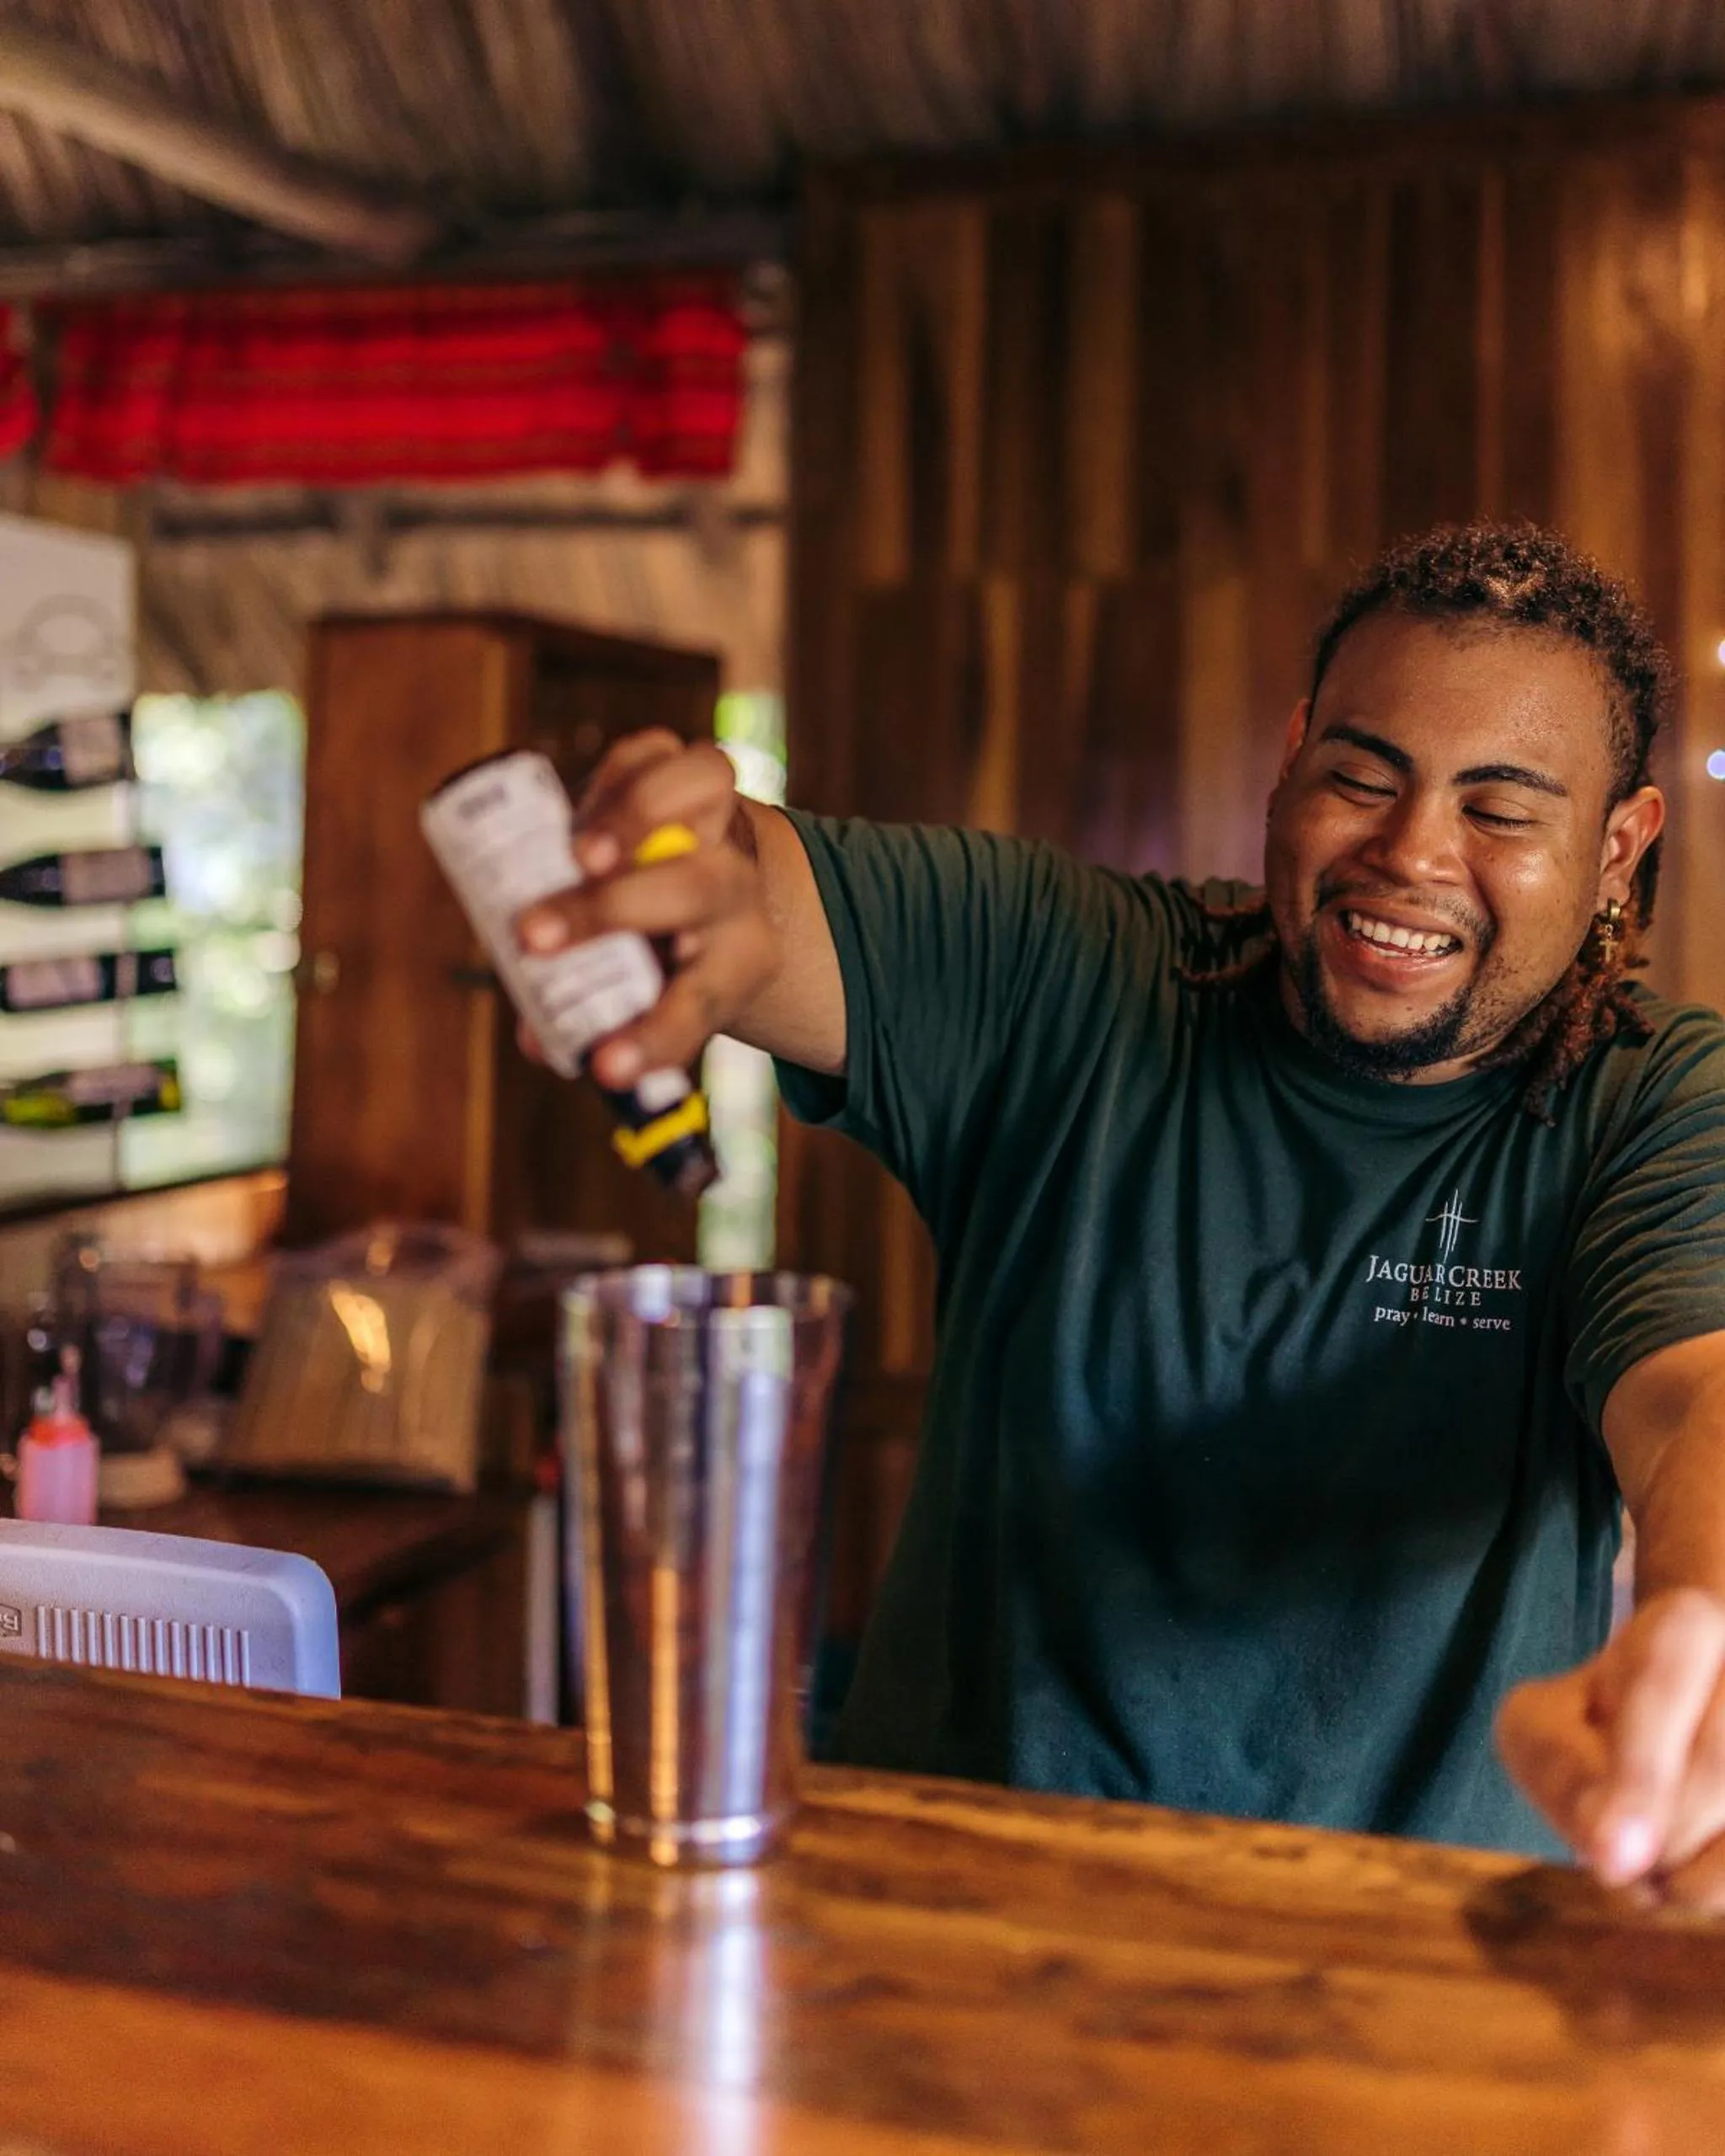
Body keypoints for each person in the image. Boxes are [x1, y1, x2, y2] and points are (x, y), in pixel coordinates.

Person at [520, 521, 1725, 1900]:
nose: (1411, 852)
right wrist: (689, 871)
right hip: (948, 1923)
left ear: (1623, 840)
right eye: (1359, 774)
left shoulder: (1655, 1100)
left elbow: (1701, 1396)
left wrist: (1709, 1622)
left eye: (1502, 810)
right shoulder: (1071, 979)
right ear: (1292, 755)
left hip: (1407, 1979)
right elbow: (765, 895)